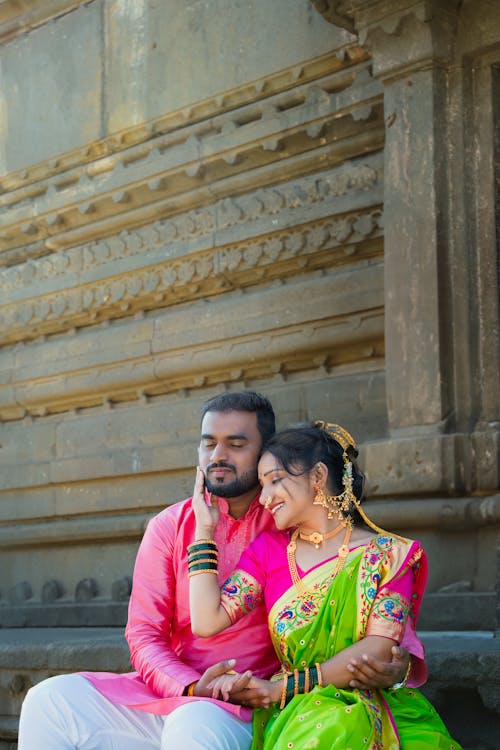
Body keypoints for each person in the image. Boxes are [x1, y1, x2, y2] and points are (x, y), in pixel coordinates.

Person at [18, 393, 416, 750]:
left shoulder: (290, 525)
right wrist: (190, 685)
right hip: (174, 692)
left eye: (236, 444)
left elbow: (364, 597)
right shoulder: (170, 526)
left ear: (266, 453)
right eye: (208, 443)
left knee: (194, 725)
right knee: (48, 700)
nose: (217, 455)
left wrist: (395, 663)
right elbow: (143, 634)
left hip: (246, 701)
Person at [189, 420, 462, 749]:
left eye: (275, 481)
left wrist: (282, 688)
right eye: (262, 485)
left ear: (317, 476)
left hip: (386, 710)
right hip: (306, 715)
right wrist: (204, 531)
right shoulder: (268, 552)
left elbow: (379, 648)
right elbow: (206, 621)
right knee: (329, 730)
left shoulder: (387, 554)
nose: (264, 498)